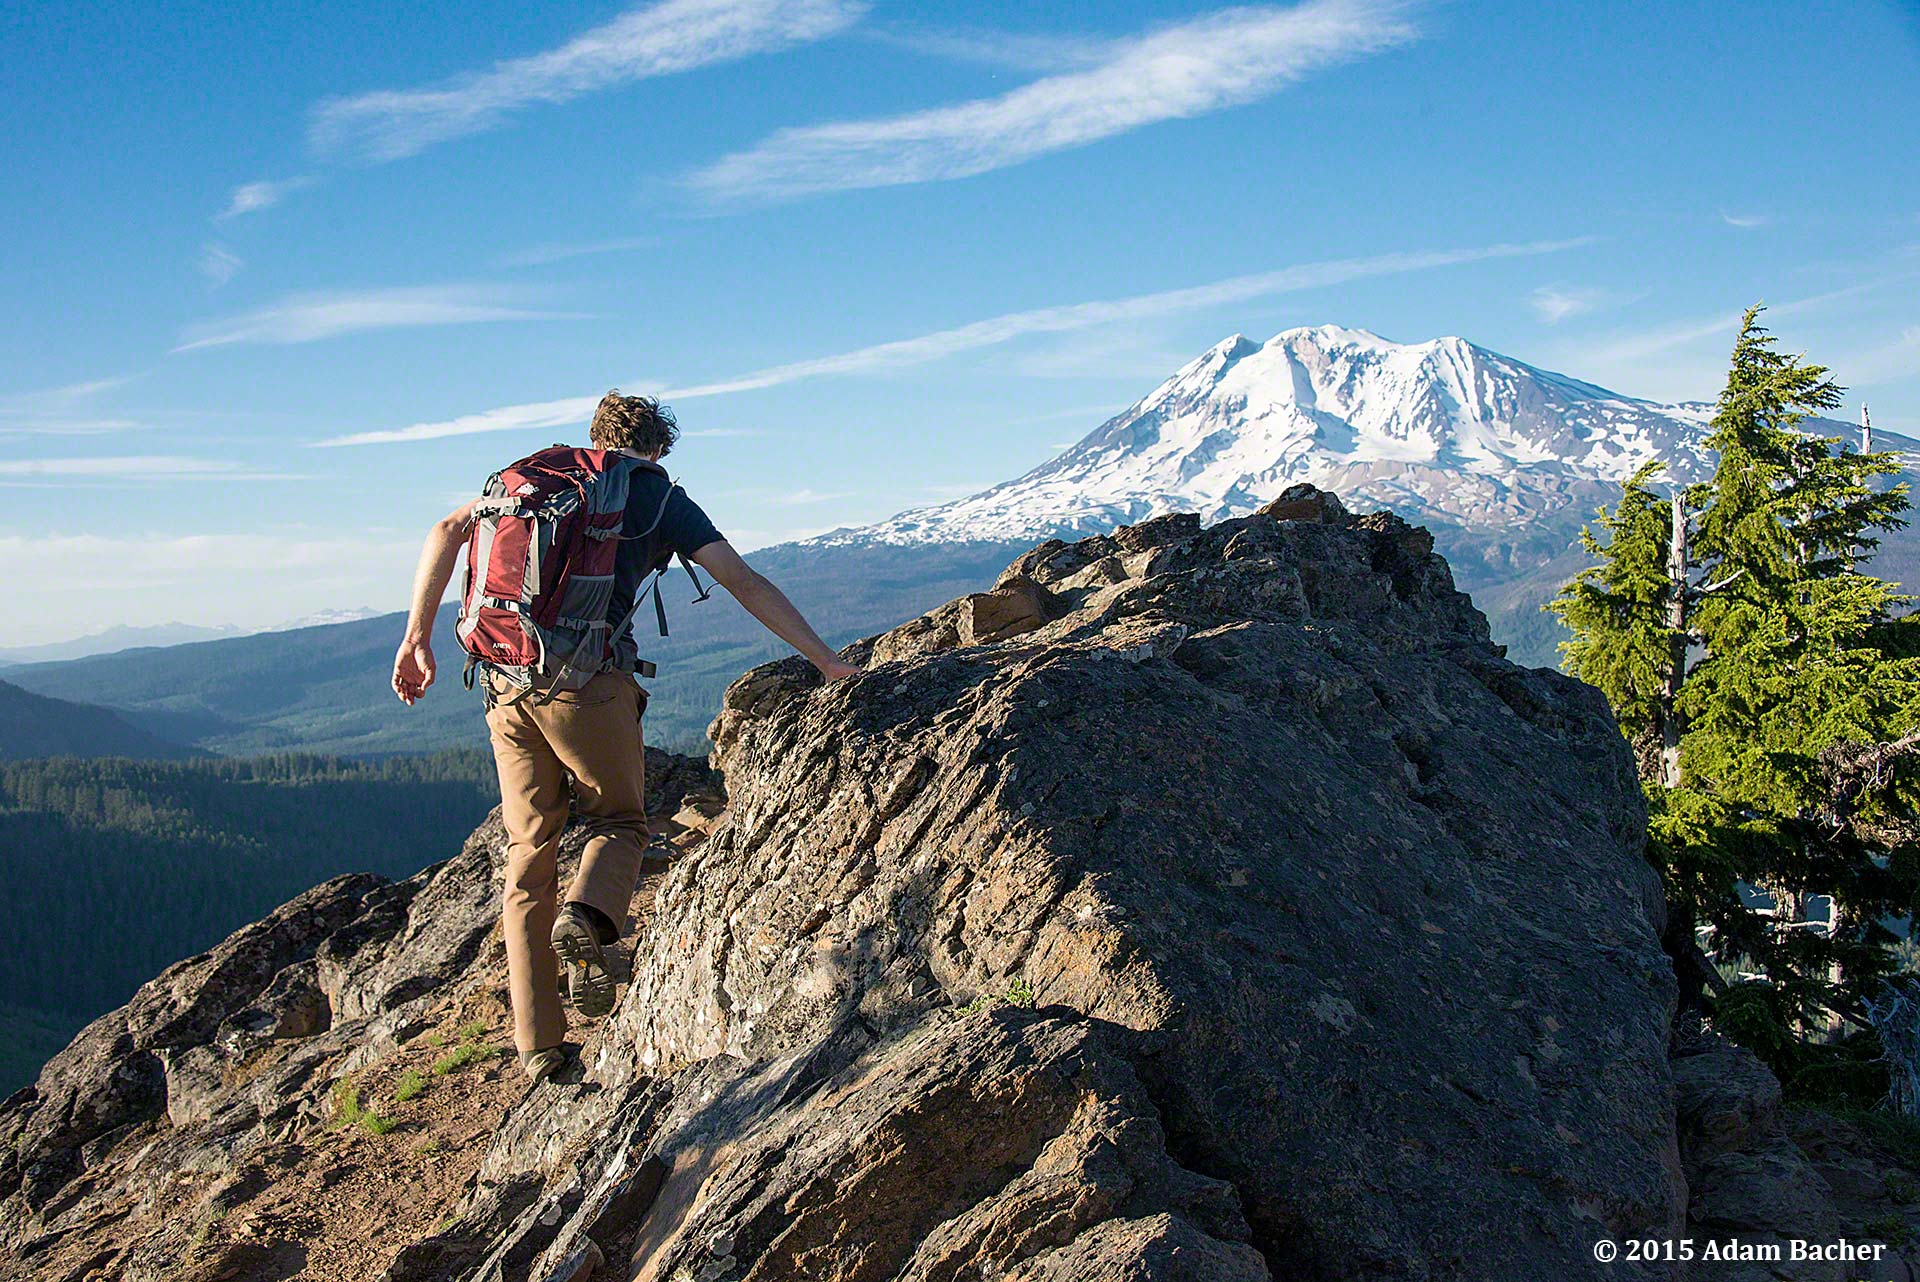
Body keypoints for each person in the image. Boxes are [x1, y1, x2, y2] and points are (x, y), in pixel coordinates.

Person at [391, 391, 860, 1084]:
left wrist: (415, 638)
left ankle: (539, 1047)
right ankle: (587, 917)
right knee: (620, 821)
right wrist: (825, 659)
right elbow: (742, 580)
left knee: (528, 856)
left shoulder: (531, 474)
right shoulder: (655, 495)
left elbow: (444, 529)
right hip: (588, 685)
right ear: (658, 447)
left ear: (595, 436)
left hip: (500, 683)